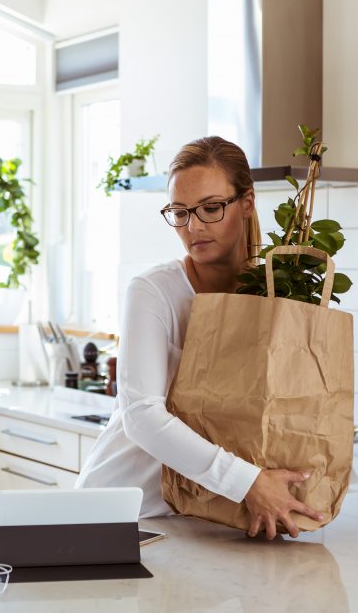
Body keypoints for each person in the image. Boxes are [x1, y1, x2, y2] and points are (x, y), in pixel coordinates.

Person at [76, 136, 324, 539]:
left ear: (247, 203)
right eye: (179, 212)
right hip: (123, 514)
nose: (193, 227)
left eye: (211, 208)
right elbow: (141, 416)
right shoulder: (153, 291)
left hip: (210, 520)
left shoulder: (277, 296)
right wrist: (249, 483)